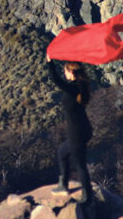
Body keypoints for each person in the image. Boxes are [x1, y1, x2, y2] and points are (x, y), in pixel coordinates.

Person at [46, 53, 93, 204]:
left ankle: (87, 197)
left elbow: (55, 80)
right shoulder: (81, 85)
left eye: (65, 70)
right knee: (62, 153)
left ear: (71, 72)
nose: (64, 73)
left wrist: (50, 62)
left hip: (77, 132)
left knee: (80, 165)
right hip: (84, 128)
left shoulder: (73, 88)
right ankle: (63, 185)